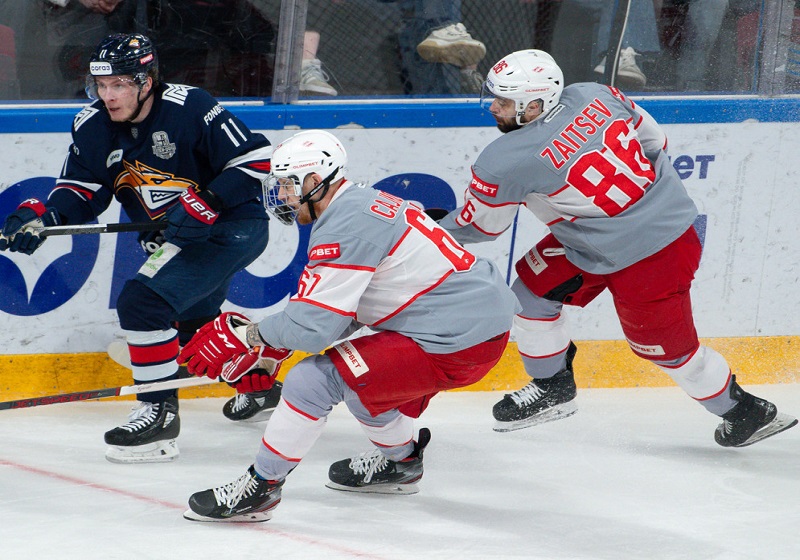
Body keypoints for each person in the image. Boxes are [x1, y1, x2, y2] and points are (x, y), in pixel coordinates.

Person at [437, 48, 797, 447]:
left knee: (670, 353)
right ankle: (553, 387)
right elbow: (656, 141)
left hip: (653, 254)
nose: (494, 107)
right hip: (603, 240)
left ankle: (745, 412)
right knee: (530, 296)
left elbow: (484, 228)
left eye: (504, 101)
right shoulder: (595, 93)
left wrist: (428, 226)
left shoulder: (503, 159)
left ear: (535, 103)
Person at [177, 129, 519, 522]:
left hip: (454, 336)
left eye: (287, 185)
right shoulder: (358, 205)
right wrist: (271, 353)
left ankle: (261, 488)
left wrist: (247, 336)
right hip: (466, 322)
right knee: (360, 382)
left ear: (314, 180)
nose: (282, 197)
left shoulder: (344, 226)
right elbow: (346, 311)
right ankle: (402, 464)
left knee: (314, 380)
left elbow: (315, 328)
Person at [0, 33, 280, 463]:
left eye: (119, 85)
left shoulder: (192, 107)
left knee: (142, 303)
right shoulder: (91, 125)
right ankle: (258, 387)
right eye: (101, 86)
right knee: (192, 327)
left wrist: (209, 201)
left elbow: (258, 159)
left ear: (146, 81)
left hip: (232, 228)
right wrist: (45, 216)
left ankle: (158, 417)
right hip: (178, 237)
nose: (107, 97)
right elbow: (81, 188)